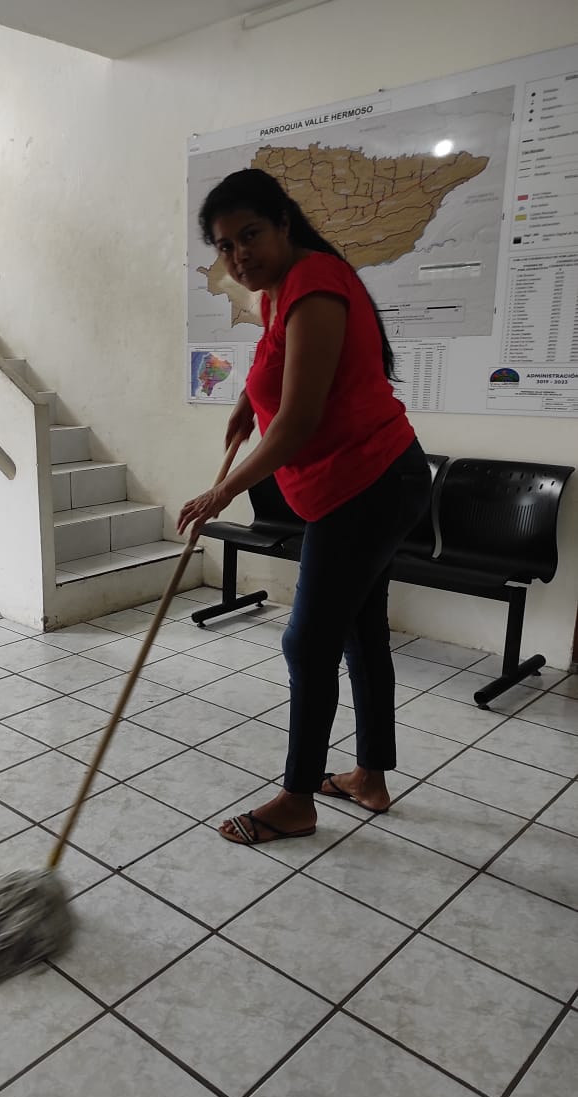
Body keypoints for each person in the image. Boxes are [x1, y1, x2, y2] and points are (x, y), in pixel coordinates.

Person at [178, 168, 431, 845]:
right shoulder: (282, 288)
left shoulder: (314, 286)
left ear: (284, 224)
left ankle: (297, 800)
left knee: (308, 640)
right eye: (225, 246)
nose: (239, 256)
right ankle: (370, 777)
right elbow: (278, 358)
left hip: (368, 486)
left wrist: (222, 492)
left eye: (250, 235)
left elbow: (297, 422)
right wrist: (244, 403)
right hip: (369, 481)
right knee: (360, 632)